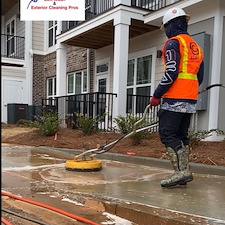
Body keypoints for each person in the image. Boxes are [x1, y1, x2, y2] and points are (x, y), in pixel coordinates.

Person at [150, 7, 204, 188]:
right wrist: (189, 90)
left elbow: (171, 72)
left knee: (167, 134)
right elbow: (200, 77)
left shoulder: (173, 43)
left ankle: (181, 172)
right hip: (190, 99)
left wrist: (157, 95)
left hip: (174, 99)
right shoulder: (195, 46)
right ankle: (184, 172)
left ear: (170, 26)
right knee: (181, 135)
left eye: (165, 28)